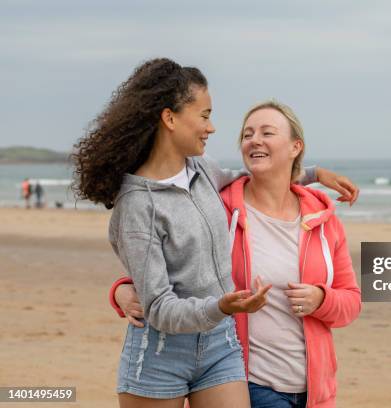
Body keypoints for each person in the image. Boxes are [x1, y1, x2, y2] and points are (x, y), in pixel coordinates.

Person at [74, 58, 358, 408]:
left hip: (223, 348)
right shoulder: (156, 204)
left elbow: (258, 174)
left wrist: (315, 173)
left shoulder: (203, 173)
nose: (211, 128)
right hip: (167, 352)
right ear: (170, 118)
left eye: (268, 133)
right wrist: (217, 304)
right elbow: (159, 296)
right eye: (205, 116)